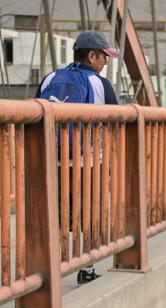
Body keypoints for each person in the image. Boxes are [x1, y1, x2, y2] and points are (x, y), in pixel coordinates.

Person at [36, 30, 119, 284]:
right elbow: (119, 118)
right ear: (92, 56)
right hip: (87, 163)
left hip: (52, 161)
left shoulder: (51, 77)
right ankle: (86, 268)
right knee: (89, 215)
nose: (105, 62)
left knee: (56, 214)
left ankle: (50, 268)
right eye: (104, 57)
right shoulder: (98, 83)